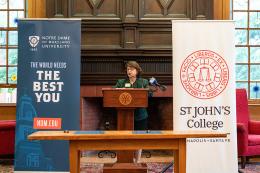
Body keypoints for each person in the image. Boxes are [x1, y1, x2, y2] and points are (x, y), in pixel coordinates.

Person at [114, 61, 149, 130]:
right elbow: (113, 93)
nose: (129, 71)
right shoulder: (121, 82)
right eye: (128, 69)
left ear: (137, 71)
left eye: (132, 69)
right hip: (124, 116)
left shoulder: (143, 82)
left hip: (140, 115)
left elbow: (149, 95)